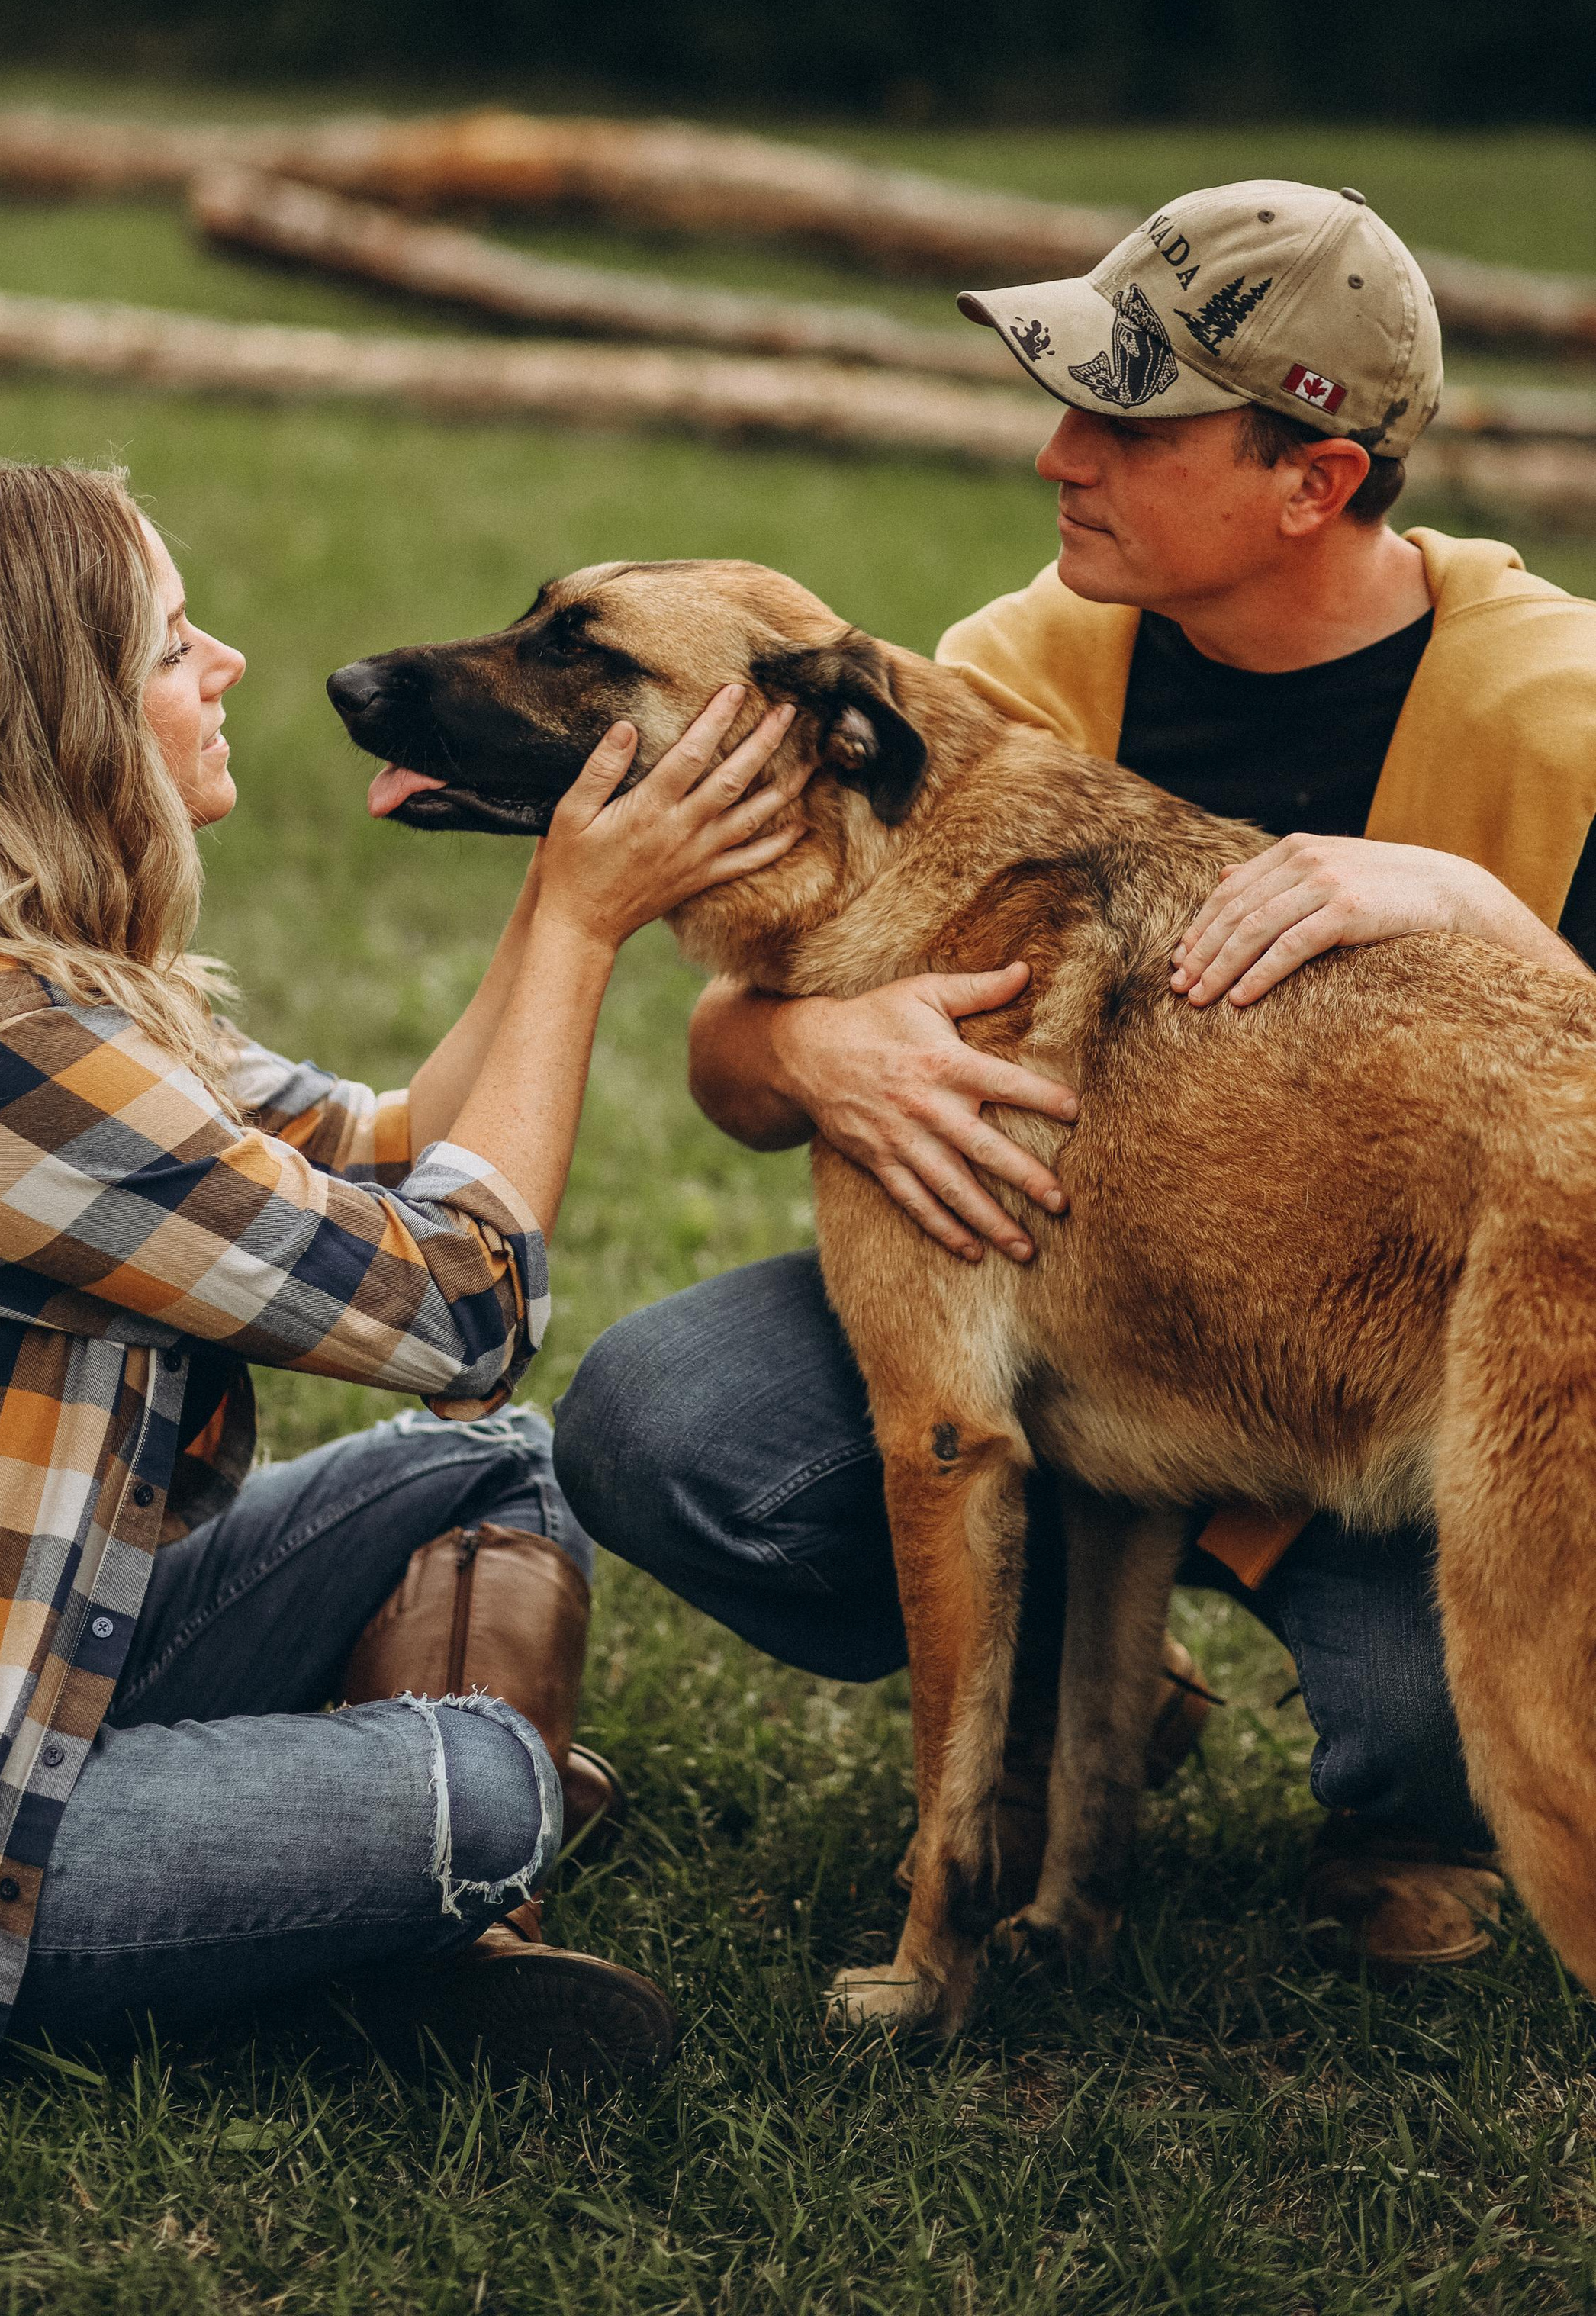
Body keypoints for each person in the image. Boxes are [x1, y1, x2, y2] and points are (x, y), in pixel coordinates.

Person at [0, 458, 806, 2109]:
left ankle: (417, 1939)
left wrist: (559, 888)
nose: (230, 666)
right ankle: (428, 1911)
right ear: (51, 718)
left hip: (23, 1673)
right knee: (480, 1792)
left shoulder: (43, 981)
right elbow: (456, 1308)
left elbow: (391, 1145)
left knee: (491, 1472)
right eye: (174, 644)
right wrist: (579, 930)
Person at [556, 177, 1596, 1976]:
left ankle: (1407, 1807)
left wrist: (1482, 908)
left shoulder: (1562, 715)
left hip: (1404, 1382)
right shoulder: (1011, 671)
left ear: (1311, 479)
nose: (1057, 457)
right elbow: (734, 1058)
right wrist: (806, 1040)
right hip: (1085, 1326)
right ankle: (1090, 1694)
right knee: (666, 1426)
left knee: (1479, 1720)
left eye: (1125, 420)